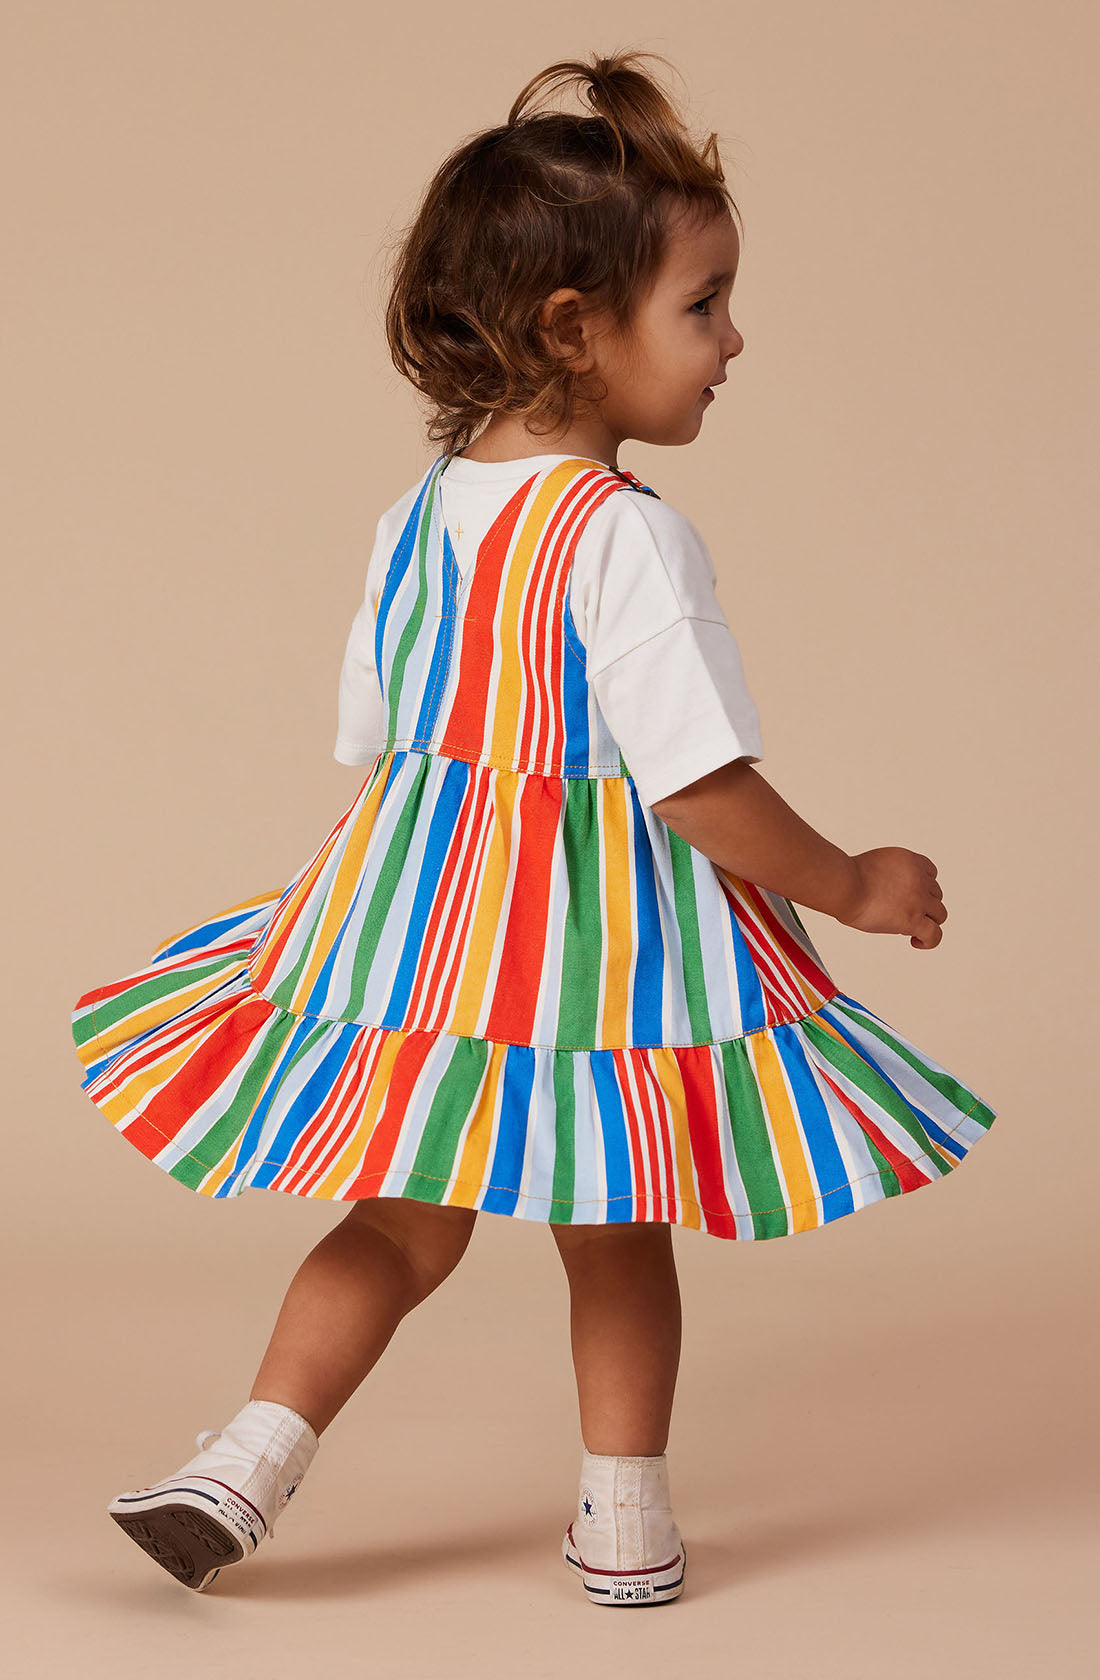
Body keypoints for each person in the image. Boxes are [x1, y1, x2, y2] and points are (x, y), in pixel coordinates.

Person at [69, 49, 997, 1608]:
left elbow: (374, 737)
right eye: (702, 304)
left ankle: (248, 1455)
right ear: (577, 329)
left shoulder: (417, 514)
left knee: (399, 1219)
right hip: (607, 952)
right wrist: (849, 883)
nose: (734, 339)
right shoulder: (629, 538)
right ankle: (622, 1518)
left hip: (429, 932)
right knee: (614, 1230)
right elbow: (695, 784)